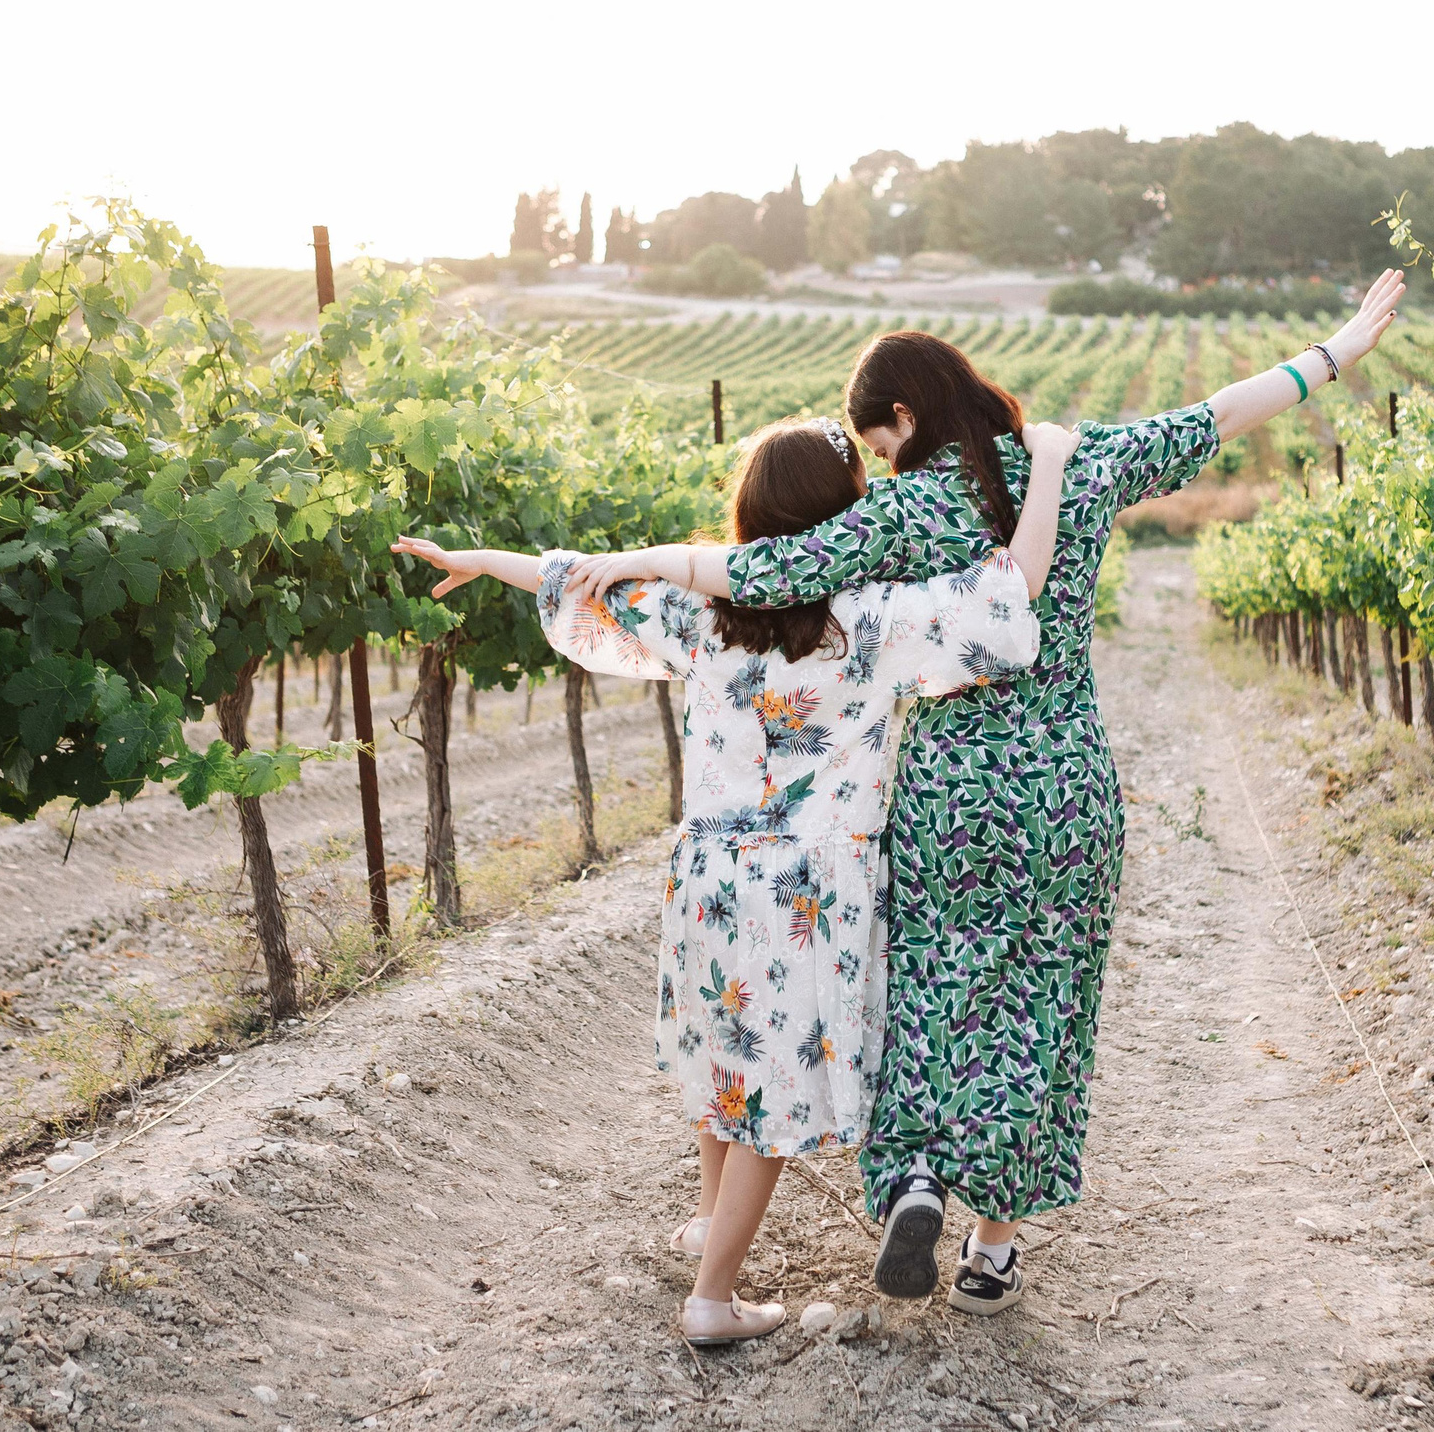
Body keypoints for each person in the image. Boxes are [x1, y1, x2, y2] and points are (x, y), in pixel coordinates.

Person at [561, 271, 1405, 1317]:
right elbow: (1219, 414)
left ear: (904, 417)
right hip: (1064, 782)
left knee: (930, 988)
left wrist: (627, 562)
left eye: (876, 443)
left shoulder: (906, 507)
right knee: (1046, 996)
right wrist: (1333, 353)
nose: (879, 461)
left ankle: (916, 1171)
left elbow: (772, 570)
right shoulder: (1078, 459)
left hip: (951, 788)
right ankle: (993, 1247)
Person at [392, 414, 1083, 1346]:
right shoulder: (872, 620)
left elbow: (576, 574)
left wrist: (477, 556)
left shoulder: (700, 610)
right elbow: (1012, 595)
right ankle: (713, 1295)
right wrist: (1046, 469)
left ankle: (708, 1223)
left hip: (711, 868)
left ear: (750, 510)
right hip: (812, 884)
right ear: (841, 519)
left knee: (726, 1054)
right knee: (771, 1092)